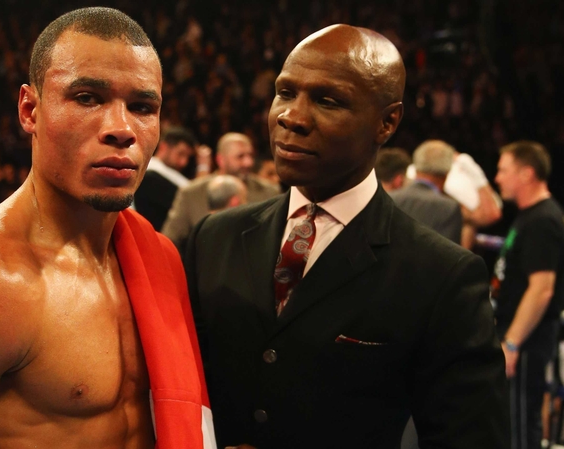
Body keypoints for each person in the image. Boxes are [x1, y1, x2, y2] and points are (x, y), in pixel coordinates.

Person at [0, 8, 214, 448]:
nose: (121, 130)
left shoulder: (160, 259)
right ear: (29, 109)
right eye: (87, 97)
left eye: (141, 107)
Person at [185, 24, 508, 448]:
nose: (292, 117)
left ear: (387, 122)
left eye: (327, 100)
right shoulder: (215, 236)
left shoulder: (442, 275)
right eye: (285, 92)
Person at [492, 140, 564, 449]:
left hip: (525, 340)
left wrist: (512, 343)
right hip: (519, 336)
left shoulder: (543, 220)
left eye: (503, 170)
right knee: (511, 422)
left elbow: (542, 289)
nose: (498, 178)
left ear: (526, 174)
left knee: (520, 427)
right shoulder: (532, 216)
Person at [161, 133, 279, 251]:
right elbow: (170, 239)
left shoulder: (269, 192)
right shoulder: (192, 193)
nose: (248, 163)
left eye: (250, 155)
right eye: (240, 156)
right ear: (220, 160)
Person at [389, 140, 463, 245]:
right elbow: (449, 258)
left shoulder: (390, 198)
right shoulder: (449, 208)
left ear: (416, 167)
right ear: (447, 172)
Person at [133, 126, 197, 230]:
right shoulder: (150, 173)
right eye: (180, 154)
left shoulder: (173, 175)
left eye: (187, 157)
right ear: (163, 147)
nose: (183, 162)